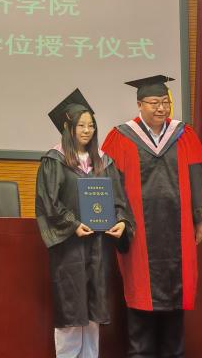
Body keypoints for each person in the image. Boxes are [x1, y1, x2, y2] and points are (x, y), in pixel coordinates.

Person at [100, 75, 202, 358]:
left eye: (165, 102)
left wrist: (201, 217)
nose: (161, 108)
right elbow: (108, 183)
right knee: (141, 304)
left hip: (179, 232)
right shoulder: (121, 137)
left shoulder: (184, 135)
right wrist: (115, 219)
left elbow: (198, 176)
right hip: (137, 232)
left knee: (175, 307)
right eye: (154, 102)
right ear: (140, 104)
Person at [36, 89, 132, 358]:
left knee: (92, 313)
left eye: (91, 125)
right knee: (71, 311)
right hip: (69, 248)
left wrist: (121, 221)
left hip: (98, 247)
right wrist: (73, 224)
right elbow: (48, 202)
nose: (87, 130)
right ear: (69, 128)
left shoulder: (104, 162)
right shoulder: (54, 161)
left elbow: (120, 201)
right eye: (81, 126)